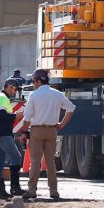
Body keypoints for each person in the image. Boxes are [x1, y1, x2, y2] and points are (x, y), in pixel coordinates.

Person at [21, 68, 75, 200]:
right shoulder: (57, 94)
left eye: (34, 81)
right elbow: (71, 108)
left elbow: (27, 117)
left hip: (37, 130)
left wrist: (23, 132)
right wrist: (61, 124)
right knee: (50, 161)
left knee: (35, 161)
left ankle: (32, 190)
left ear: (38, 81)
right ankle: (54, 191)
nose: (33, 83)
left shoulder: (34, 95)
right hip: (52, 131)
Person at [0, 78, 25, 200]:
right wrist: (16, 116)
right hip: (3, 134)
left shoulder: (1, 98)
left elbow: (2, 115)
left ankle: (1, 191)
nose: (15, 92)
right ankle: (15, 187)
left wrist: (14, 115)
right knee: (17, 157)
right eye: (15, 89)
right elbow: (2, 115)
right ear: (9, 87)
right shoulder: (2, 98)